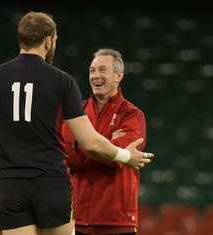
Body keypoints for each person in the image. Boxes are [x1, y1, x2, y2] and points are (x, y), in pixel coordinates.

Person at [0, 11, 154, 235]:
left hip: (9, 184)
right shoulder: (62, 81)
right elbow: (89, 143)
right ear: (48, 40)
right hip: (51, 183)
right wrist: (125, 155)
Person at [61, 48, 147, 235]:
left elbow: (117, 158)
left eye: (102, 70)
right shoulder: (77, 111)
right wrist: (109, 144)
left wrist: (82, 143)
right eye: (92, 71)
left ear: (118, 75)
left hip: (117, 222)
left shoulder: (132, 115)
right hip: (79, 221)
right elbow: (67, 157)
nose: (95, 76)